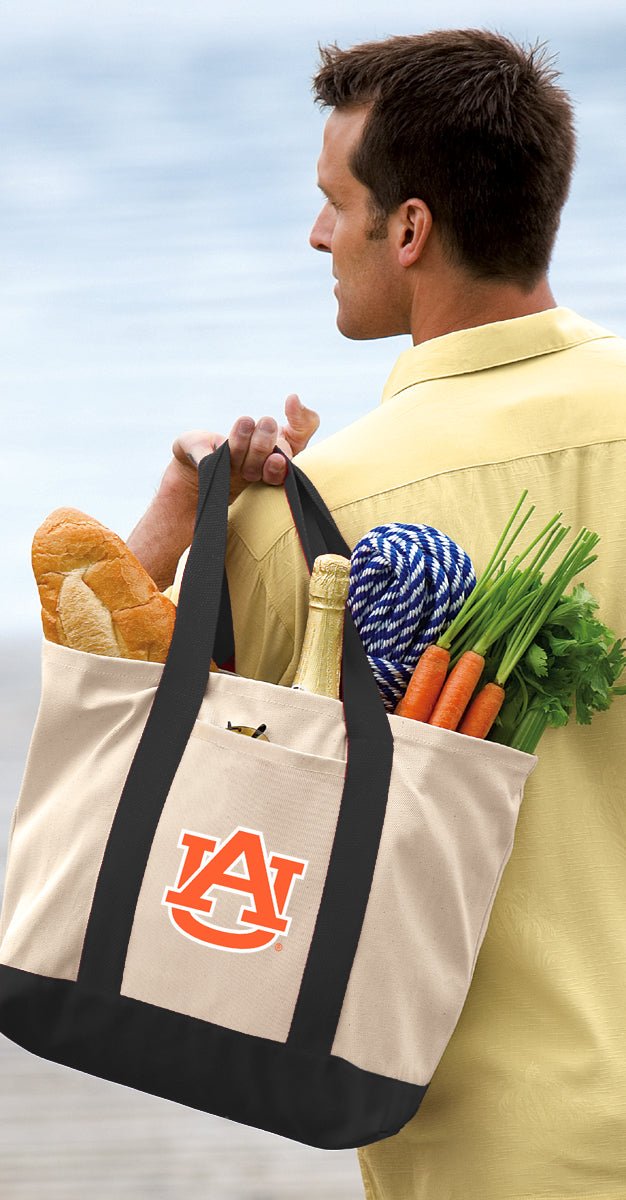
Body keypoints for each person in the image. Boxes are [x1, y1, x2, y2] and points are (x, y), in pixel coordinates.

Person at [127, 29, 626, 1199]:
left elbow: (107, 710)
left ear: (407, 230)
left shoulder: (314, 517)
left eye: (333, 202)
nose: (315, 234)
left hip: (491, 1151)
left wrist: (180, 509)